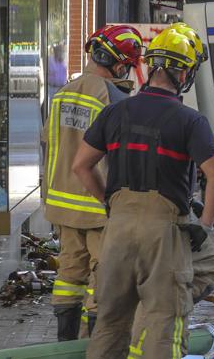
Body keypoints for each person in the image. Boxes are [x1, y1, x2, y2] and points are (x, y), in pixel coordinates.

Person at [72, 27, 214, 359]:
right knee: (164, 323)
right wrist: (206, 225)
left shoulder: (114, 111)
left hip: (118, 231)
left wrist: (110, 205)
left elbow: (81, 166)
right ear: (183, 71)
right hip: (163, 233)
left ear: (152, 66)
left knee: (110, 323)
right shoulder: (190, 120)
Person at [43, 24, 142, 340]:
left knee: (69, 273)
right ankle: (97, 345)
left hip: (62, 205)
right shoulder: (112, 96)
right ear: (118, 63)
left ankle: (64, 343)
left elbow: (47, 140)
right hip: (99, 206)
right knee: (103, 276)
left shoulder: (61, 94)